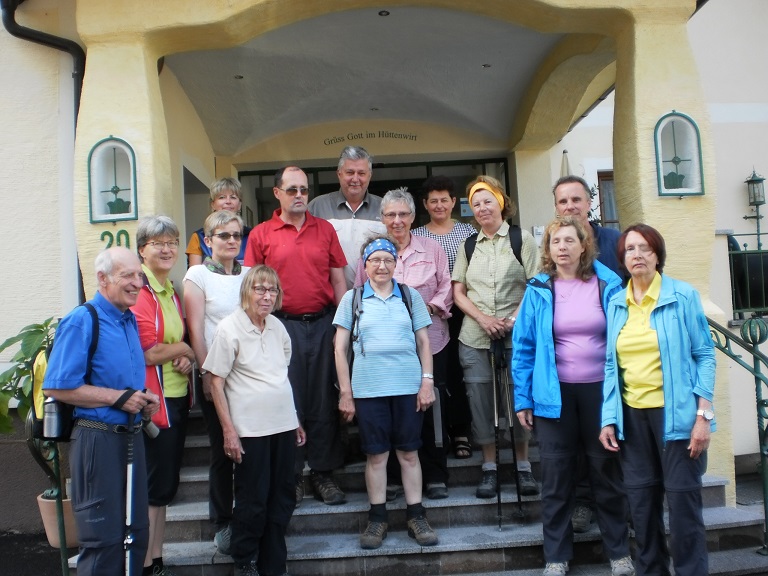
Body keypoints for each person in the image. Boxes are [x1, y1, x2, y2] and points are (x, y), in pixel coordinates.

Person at [512, 216, 633, 576]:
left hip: (600, 393)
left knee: (606, 474)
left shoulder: (609, 284)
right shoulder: (538, 288)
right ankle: (556, 556)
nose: (562, 247)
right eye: (554, 241)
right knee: (556, 477)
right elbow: (524, 347)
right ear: (548, 249)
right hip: (553, 396)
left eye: (569, 240)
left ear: (584, 245)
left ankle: (619, 552)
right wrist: (523, 398)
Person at [599, 223, 716, 576]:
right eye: (630, 249)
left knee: (683, 511)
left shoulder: (682, 295)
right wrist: (608, 416)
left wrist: (703, 416)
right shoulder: (616, 302)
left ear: (657, 255)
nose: (637, 255)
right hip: (633, 420)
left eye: (644, 248)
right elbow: (610, 364)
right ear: (622, 257)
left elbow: (705, 355)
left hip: (677, 417)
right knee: (642, 508)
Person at [43, 247, 160, 576]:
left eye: (140, 275)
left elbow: (120, 382)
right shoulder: (83, 320)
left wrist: (141, 398)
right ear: (103, 278)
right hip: (98, 441)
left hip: (132, 439)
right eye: (128, 275)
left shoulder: (129, 321)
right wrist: (117, 398)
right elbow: (57, 386)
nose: (137, 282)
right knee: (104, 541)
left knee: (135, 535)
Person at [244, 166, 348, 506]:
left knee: (321, 399)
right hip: (278, 325)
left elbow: (337, 280)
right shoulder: (261, 234)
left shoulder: (325, 229)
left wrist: (342, 324)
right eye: (292, 190)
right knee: (286, 398)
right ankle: (291, 475)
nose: (299, 195)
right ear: (277, 193)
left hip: (322, 324)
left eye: (303, 189)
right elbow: (251, 286)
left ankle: (323, 473)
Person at [334, 236, 438, 550]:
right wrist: (346, 392)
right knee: (376, 456)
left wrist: (427, 382)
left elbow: (424, 343)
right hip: (368, 390)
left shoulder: (410, 296)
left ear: (395, 264)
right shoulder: (352, 299)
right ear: (364, 266)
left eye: (388, 260)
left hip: (408, 388)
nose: (381, 266)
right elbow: (339, 350)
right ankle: (377, 518)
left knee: (409, 453)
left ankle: (416, 515)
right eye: (375, 260)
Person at [203, 265, 306, 576]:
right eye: (260, 289)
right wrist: (229, 432)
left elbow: (280, 377)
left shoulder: (277, 327)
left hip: (283, 427)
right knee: (253, 500)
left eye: (272, 290)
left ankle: (274, 563)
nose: (267, 295)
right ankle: (245, 561)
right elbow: (215, 382)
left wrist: (295, 418)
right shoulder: (228, 328)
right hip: (250, 431)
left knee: (283, 496)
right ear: (245, 292)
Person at [354, 188, 453, 500]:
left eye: (403, 214)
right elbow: (359, 294)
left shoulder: (432, 248)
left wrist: (422, 312)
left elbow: (446, 287)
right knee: (395, 416)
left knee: (431, 410)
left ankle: (435, 474)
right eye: (390, 215)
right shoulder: (370, 254)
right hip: (384, 356)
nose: (397, 220)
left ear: (413, 217)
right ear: (382, 218)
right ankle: (395, 480)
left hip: (431, 342)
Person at [451, 175, 540, 498]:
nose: (482, 208)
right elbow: (458, 291)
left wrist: (513, 318)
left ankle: (523, 466)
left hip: (516, 337)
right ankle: (489, 467)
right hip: (475, 337)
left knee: (517, 401)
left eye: (487, 200)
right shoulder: (469, 245)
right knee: (481, 402)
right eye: (476, 204)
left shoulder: (522, 239)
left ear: (501, 201)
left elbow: (536, 284)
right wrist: (484, 319)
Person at [552, 174, 624, 532]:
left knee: (611, 440)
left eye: (576, 200)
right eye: (563, 202)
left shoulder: (616, 241)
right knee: (581, 445)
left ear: (589, 202)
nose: (570, 207)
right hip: (569, 373)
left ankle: (616, 505)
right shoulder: (555, 252)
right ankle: (582, 502)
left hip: (616, 359)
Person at [132, 216, 197, 576]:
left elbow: (170, 349)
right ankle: (143, 563)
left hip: (174, 397)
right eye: (159, 242)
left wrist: (184, 359)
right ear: (142, 249)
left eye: (172, 241)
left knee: (164, 485)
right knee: (154, 485)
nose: (168, 248)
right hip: (153, 403)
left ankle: (156, 558)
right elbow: (147, 352)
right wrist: (184, 349)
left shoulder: (170, 289)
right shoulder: (141, 290)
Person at [183, 210, 250, 555]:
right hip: (217, 375)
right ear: (207, 241)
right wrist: (208, 374)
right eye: (223, 236)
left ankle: (252, 516)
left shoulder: (251, 275)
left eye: (236, 235)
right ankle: (222, 521)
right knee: (223, 451)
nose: (231, 241)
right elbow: (196, 328)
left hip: (251, 377)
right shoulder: (197, 275)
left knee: (253, 449)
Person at [412, 175, 477, 460]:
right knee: (438, 375)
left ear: (454, 202)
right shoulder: (417, 236)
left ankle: (461, 430)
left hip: (465, 313)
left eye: (444, 200)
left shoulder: (467, 233)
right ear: (425, 205)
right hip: (431, 315)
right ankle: (437, 434)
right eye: (433, 201)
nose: (439, 205)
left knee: (460, 373)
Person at [308, 145, 386, 287]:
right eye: (350, 172)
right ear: (339, 174)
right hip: (329, 299)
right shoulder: (317, 207)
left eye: (361, 173)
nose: (355, 179)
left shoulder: (385, 208)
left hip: (374, 296)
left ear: (370, 175)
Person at [185, 177, 252, 267]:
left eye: (233, 197)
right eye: (222, 197)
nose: (228, 201)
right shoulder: (198, 237)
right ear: (213, 204)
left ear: (239, 205)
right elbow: (195, 275)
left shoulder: (252, 235)